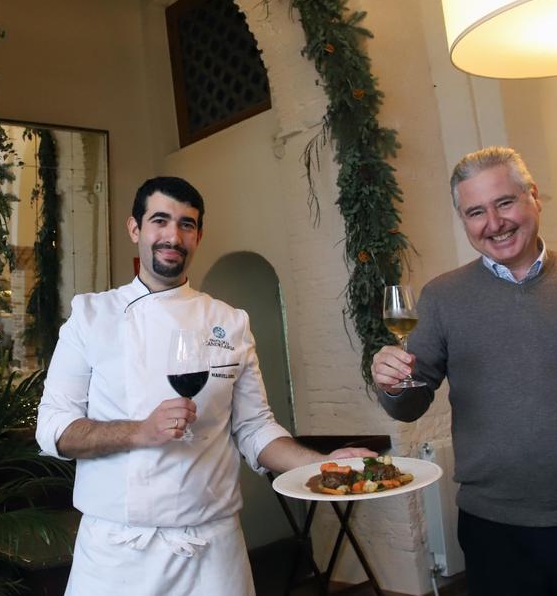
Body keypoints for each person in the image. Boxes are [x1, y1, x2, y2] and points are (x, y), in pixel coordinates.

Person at [36, 176, 372, 596]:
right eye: (160, 220)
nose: (173, 236)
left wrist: (320, 465)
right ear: (134, 228)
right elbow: (53, 427)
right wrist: (139, 431)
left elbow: (254, 428)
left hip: (213, 554)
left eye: (186, 224)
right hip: (117, 553)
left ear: (199, 234)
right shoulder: (91, 316)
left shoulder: (230, 322)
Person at [371, 147, 557, 595]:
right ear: (464, 220)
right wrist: (390, 381)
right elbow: (412, 402)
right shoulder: (442, 297)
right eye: (475, 212)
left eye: (504, 202)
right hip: (495, 534)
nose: (494, 223)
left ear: (533, 198)